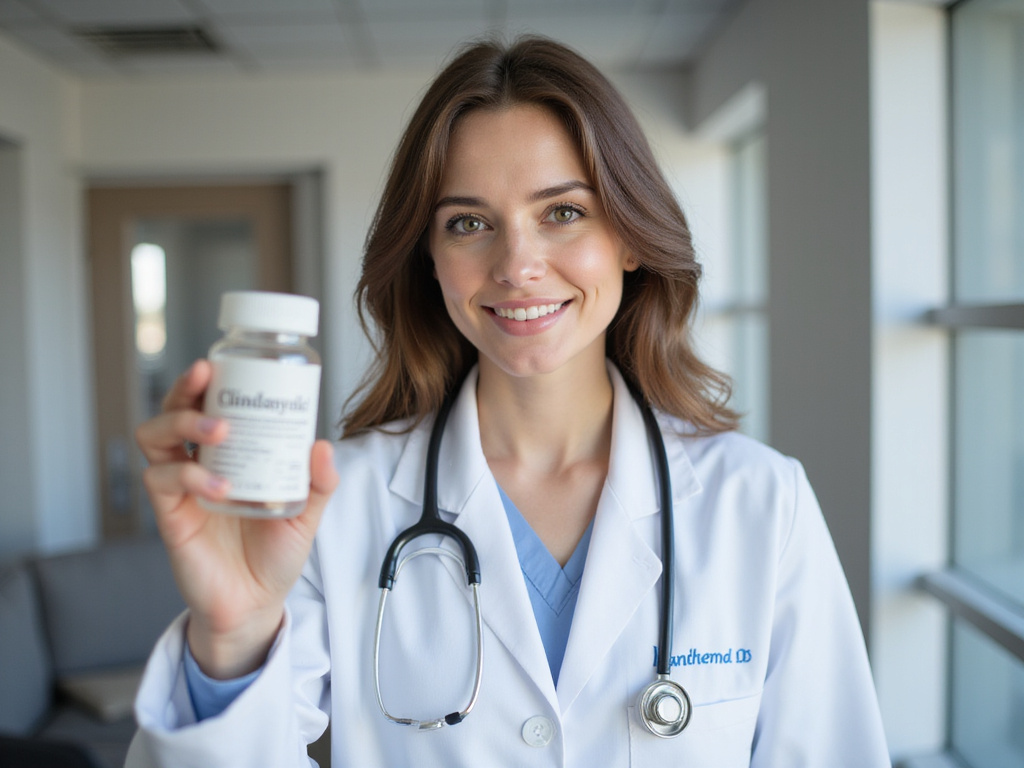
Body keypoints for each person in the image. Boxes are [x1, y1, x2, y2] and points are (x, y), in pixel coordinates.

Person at [127, 36, 890, 768]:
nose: (518, 265)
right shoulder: (338, 505)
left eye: (563, 212)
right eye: (468, 223)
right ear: (430, 257)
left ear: (628, 237)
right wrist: (231, 634)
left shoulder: (758, 501)